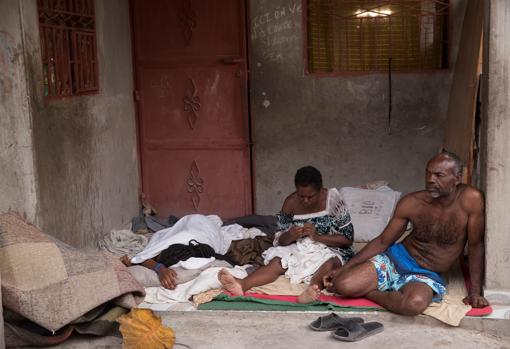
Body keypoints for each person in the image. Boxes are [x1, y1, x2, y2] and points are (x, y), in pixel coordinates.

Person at [324, 151, 489, 315]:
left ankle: (371, 292)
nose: (431, 180)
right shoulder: (412, 202)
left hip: (426, 273)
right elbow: (383, 241)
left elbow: (475, 246)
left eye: (439, 175)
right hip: (395, 260)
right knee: (343, 285)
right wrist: (345, 268)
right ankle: (387, 293)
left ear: (457, 178)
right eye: (428, 173)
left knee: (413, 304)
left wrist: (475, 292)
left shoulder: (471, 200)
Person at [218, 166, 355, 303]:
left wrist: (317, 236)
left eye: (310, 196)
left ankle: (311, 290)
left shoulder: (334, 201)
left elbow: (348, 239)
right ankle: (242, 284)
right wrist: (290, 235)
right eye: (301, 196)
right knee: (279, 260)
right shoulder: (290, 203)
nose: (305, 200)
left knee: (329, 263)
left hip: (332, 249)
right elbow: (280, 240)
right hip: (303, 247)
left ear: (320, 190)